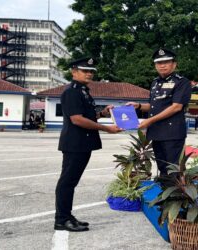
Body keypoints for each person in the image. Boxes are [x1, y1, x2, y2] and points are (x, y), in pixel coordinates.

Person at [55, 57, 122, 232]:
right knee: (67, 182)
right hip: (75, 144)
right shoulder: (71, 92)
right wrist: (107, 129)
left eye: (91, 71)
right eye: (85, 70)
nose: (89, 74)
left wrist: (103, 113)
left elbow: (87, 116)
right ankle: (62, 219)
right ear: (74, 71)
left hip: (83, 143)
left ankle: (67, 216)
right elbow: (77, 119)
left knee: (71, 181)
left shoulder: (83, 92)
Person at [127, 48, 191, 176]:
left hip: (172, 133)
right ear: (155, 65)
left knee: (173, 168)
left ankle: (174, 194)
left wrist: (149, 121)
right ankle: (164, 191)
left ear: (174, 64)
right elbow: (153, 106)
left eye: (166, 62)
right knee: (162, 166)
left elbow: (176, 107)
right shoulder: (155, 83)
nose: (162, 65)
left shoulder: (182, 82)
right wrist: (138, 106)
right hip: (157, 132)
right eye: (159, 63)